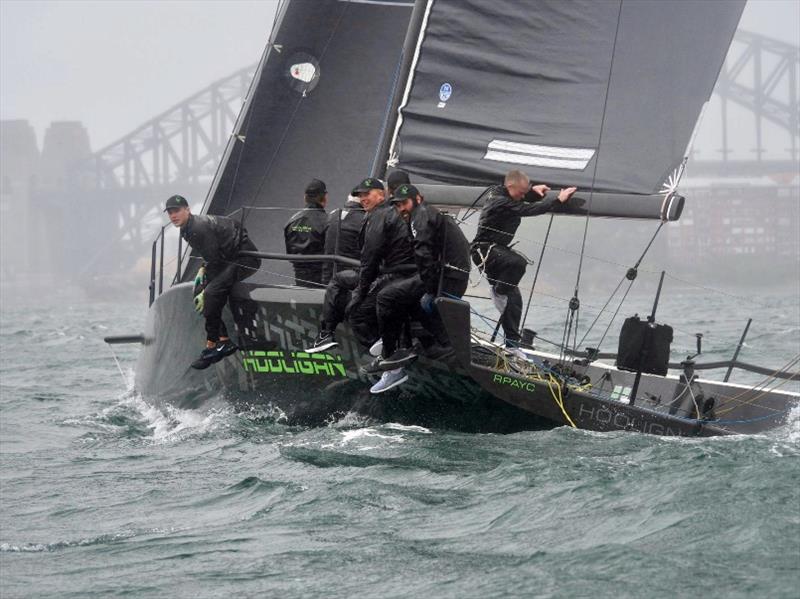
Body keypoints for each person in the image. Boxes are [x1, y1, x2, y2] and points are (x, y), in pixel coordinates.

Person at [305, 171, 409, 354]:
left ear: (382, 194)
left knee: (355, 310)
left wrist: (361, 290)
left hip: (387, 275)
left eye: (367, 194)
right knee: (339, 280)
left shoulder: (380, 216)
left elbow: (372, 257)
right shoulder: (377, 215)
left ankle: (387, 352)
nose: (362, 199)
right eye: (360, 195)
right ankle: (327, 334)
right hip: (385, 272)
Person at [470, 170, 576, 347]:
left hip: (498, 251)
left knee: (514, 300)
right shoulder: (498, 200)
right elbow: (525, 208)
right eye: (521, 192)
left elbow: (519, 200)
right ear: (510, 186)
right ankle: (498, 291)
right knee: (517, 263)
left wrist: (532, 193)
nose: (523, 196)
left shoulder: (507, 194)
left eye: (524, 192)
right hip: (484, 250)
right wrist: (557, 200)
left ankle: (512, 345)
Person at [164, 194, 260, 369]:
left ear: (187, 210)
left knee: (210, 293)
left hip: (245, 258)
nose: (173, 216)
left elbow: (215, 259)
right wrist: (202, 269)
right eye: (170, 212)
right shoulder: (186, 228)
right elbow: (211, 254)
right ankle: (223, 340)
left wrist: (207, 289)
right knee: (199, 290)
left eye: (176, 211)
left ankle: (211, 344)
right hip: (227, 259)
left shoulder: (197, 228)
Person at [389, 183, 471, 355]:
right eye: (398, 205)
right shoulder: (425, 213)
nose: (401, 208)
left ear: (417, 199)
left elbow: (423, 254)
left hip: (452, 274)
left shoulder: (420, 216)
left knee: (422, 301)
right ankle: (440, 343)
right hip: (454, 271)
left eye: (404, 203)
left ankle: (446, 346)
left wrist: (430, 286)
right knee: (424, 300)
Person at [284, 178, 329, 287]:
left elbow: (290, 252)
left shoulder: (291, 221)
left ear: (305, 197)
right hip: (322, 278)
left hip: (299, 276)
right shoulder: (328, 221)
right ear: (325, 197)